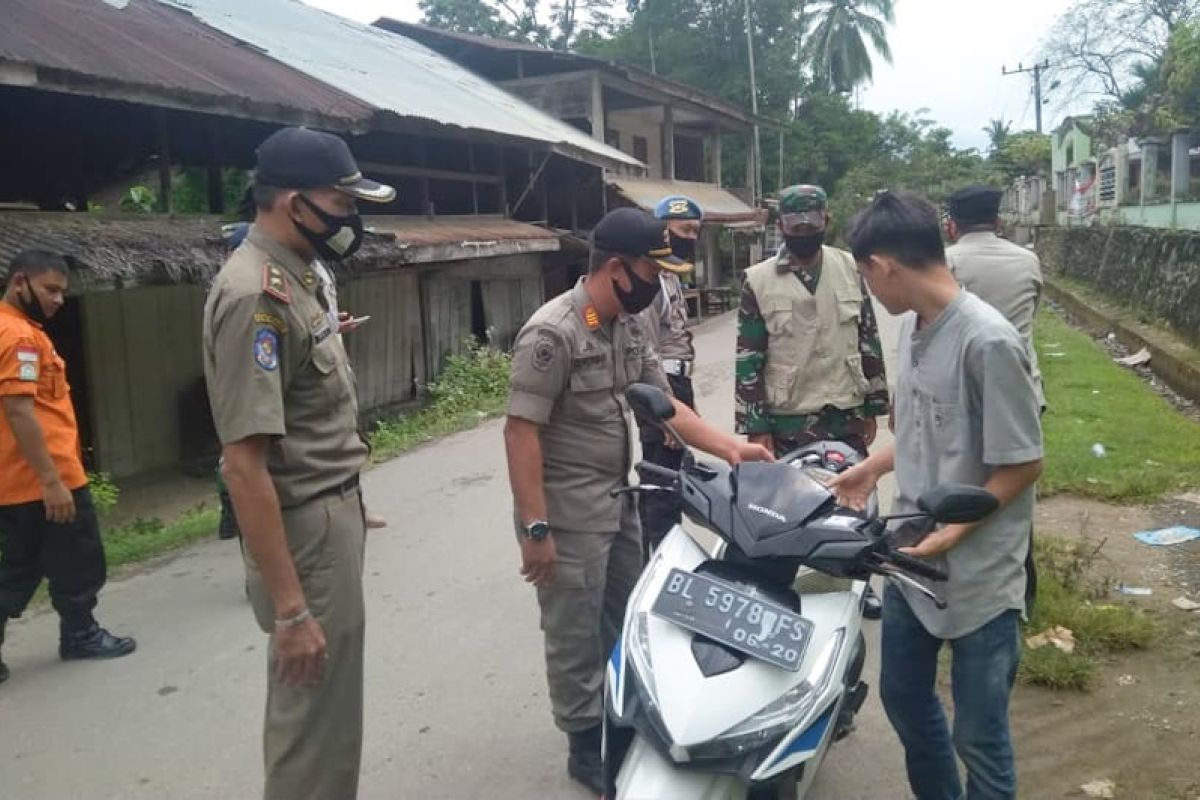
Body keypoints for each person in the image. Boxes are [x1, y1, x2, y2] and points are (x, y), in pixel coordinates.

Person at [503, 207, 773, 793]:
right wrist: (535, 529)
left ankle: (619, 719)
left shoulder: (626, 323)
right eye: (653, 268)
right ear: (618, 268)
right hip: (566, 514)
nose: (660, 282)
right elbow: (520, 431)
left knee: (628, 617)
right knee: (573, 630)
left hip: (616, 499)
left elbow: (664, 403)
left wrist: (731, 448)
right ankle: (584, 743)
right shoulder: (553, 333)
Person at [830, 190, 1044, 800]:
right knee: (902, 698)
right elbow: (927, 426)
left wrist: (960, 529)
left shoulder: (989, 342)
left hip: (979, 570)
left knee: (979, 734)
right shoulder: (917, 329)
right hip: (911, 554)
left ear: (882, 266)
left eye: (866, 277)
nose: (871, 291)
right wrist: (871, 468)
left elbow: (1024, 462)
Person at [202, 126, 395, 800]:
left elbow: (304, 412)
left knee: (331, 713)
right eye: (341, 203)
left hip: (328, 513)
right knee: (311, 721)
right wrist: (289, 609)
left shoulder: (296, 276)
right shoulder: (257, 293)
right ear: (292, 202)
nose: (351, 218)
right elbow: (243, 466)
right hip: (304, 530)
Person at [735, 183, 889, 617]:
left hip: (844, 407)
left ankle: (857, 579)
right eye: (794, 223)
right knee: (787, 503)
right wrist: (756, 424)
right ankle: (783, 580)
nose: (803, 229)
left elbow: (868, 339)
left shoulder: (851, 269)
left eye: (812, 222)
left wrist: (875, 404)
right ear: (780, 225)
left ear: (827, 221)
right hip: (787, 415)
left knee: (853, 500)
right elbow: (749, 357)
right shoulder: (758, 280)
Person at [0, 250, 137, 685]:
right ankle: (80, 634)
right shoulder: (18, 336)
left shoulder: (19, 330)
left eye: (62, 291)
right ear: (20, 281)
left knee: (19, 567)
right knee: (77, 559)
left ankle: (77, 632)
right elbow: (20, 411)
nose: (59, 299)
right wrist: (52, 482)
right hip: (44, 481)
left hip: (22, 480)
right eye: (50, 289)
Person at [635, 195, 702, 556]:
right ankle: (658, 562)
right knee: (661, 483)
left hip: (676, 384)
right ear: (663, 232)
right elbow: (645, 354)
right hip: (661, 386)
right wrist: (663, 413)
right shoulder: (651, 281)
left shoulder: (669, 276)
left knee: (674, 476)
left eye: (695, 230)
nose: (691, 237)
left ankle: (665, 553)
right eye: (683, 229)